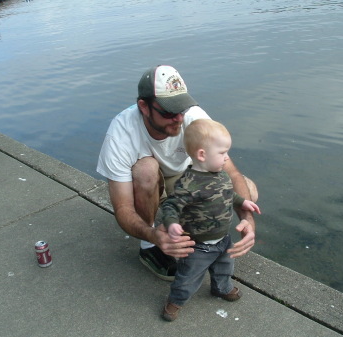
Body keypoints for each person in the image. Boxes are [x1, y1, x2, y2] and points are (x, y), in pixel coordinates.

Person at [97, 65, 258, 282]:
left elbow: (233, 173)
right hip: (148, 184)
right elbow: (122, 207)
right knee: (146, 170)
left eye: (181, 110)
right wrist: (151, 234)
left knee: (249, 190)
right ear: (144, 106)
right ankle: (150, 248)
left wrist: (247, 218)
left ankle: (190, 230)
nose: (179, 119)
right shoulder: (121, 133)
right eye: (169, 112)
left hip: (186, 180)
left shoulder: (194, 118)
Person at [161, 119, 261, 321]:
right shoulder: (189, 184)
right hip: (197, 245)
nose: (226, 158)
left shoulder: (221, 175)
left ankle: (221, 288)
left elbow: (228, 194)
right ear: (201, 155)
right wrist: (171, 224)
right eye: (222, 153)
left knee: (225, 269)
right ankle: (176, 301)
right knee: (188, 278)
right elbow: (170, 205)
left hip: (223, 240)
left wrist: (243, 202)